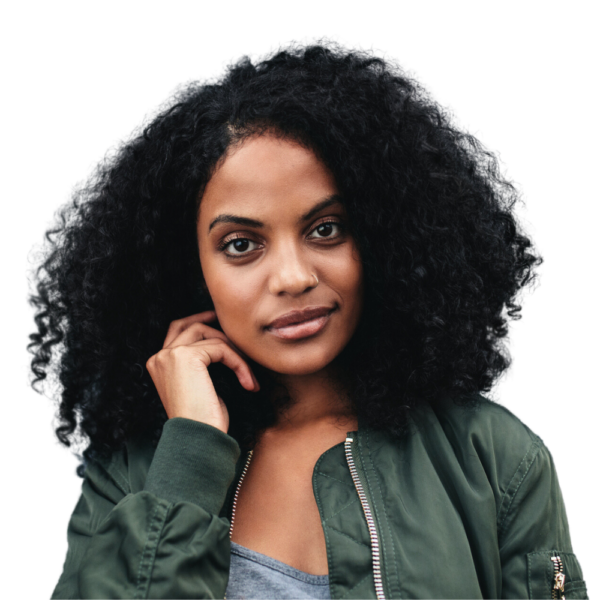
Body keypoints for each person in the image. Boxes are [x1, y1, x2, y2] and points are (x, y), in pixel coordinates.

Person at [26, 37, 589, 599]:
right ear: (193, 270)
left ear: (380, 238)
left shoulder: (491, 456)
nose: (293, 277)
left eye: (326, 229)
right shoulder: (132, 475)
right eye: (242, 244)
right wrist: (190, 455)